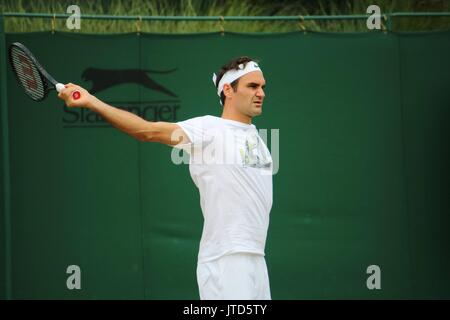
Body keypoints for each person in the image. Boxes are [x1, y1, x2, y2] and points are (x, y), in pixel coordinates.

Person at [58, 56, 273, 300]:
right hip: (226, 261)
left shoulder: (259, 140)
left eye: (263, 86)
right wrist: (92, 101)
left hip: (257, 259)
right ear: (228, 90)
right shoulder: (208, 130)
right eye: (252, 86)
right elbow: (146, 131)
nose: (261, 93)